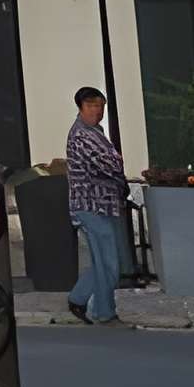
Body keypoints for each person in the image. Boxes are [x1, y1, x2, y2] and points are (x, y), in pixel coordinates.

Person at [65, 86, 128, 324]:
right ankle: (104, 312)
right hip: (91, 205)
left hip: (101, 204)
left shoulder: (95, 131)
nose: (97, 111)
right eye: (91, 106)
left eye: (100, 106)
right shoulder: (83, 135)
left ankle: (79, 299)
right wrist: (117, 160)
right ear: (80, 108)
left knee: (102, 260)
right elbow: (109, 165)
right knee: (109, 261)